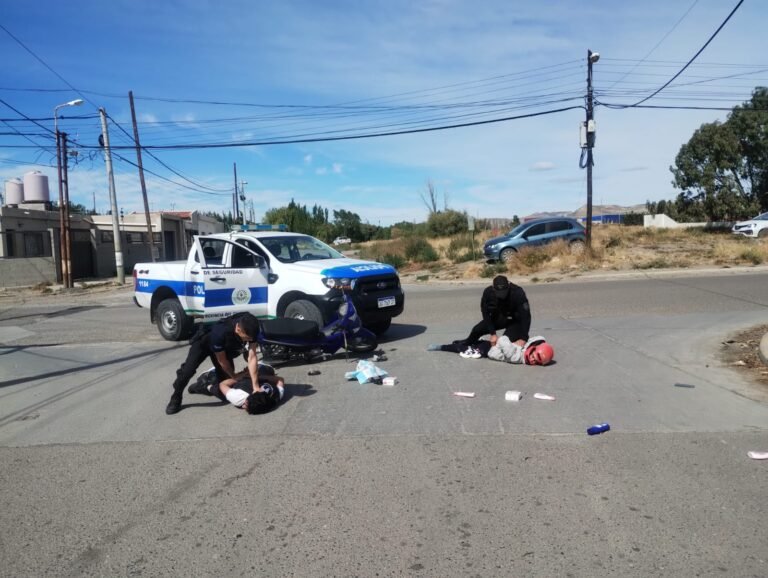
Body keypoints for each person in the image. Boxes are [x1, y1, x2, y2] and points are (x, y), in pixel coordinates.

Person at [165, 312, 261, 415]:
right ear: (238, 329)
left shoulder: (251, 327)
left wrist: (256, 387)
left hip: (223, 348)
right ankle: (176, 396)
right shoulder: (221, 332)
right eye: (247, 338)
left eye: (251, 339)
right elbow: (222, 361)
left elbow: (252, 357)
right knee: (187, 372)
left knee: (225, 393)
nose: (249, 341)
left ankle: (202, 386)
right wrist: (234, 376)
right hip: (204, 344)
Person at [427, 335, 555, 366]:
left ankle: (441, 347)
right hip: (493, 345)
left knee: (463, 348)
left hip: (489, 350)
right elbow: (539, 338)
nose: (532, 360)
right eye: (534, 356)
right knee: (471, 341)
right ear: (533, 348)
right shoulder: (527, 349)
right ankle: (460, 342)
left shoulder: (516, 358)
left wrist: (494, 344)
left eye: (536, 361)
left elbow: (503, 339)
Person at [216, 373, 285, 414]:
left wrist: (255, 376)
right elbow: (223, 384)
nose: (243, 406)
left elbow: (280, 380)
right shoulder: (240, 397)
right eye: (246, 405)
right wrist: (239, 378)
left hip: (250, 378)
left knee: (217, 388)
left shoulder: (276, 396)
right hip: (244, 379)